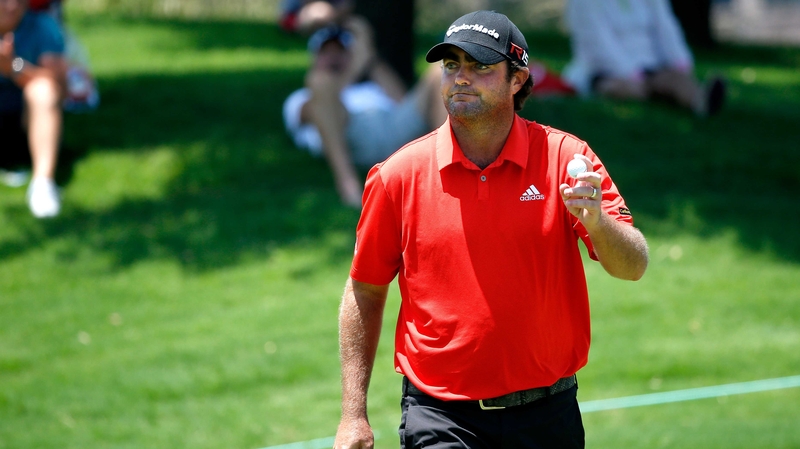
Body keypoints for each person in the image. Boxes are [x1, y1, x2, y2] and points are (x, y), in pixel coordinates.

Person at [333, 10, 649, 449]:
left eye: (480, 66)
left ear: (517, 80)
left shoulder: (565, 158)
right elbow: (364, 289)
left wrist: (597, 222)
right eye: (451, 66)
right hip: (440, 418)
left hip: (547, 415)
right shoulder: (397, 174)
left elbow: (633, 266)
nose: (461, 77)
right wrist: (353, 415)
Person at [282, 15, 446, 207]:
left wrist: (368, 56)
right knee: (320, 82)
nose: (333, 57)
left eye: (340, 52)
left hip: (393, 127)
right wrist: (354, 69)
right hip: (352, 135)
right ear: (315, 58)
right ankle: (348, 185)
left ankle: (445, 176)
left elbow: (405, 103)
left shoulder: (371, 85)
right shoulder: (302, 96)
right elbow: (315, 113)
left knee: (441, 70)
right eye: (326, 52)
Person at [562, 0, 725, 116]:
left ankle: (698, 101)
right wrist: (630, 73)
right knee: (621, 88)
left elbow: (666, 27)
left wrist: (680, 62)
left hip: (650, 66)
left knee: (677, 80)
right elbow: (597, 41)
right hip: (604, 70)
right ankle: (660, 95)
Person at [1, 0, 67, 218]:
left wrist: (14, 66)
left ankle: (43, 184)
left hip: (27, 120)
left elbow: (58, 82)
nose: (12, 6)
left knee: (43, 90)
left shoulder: (42, 26)